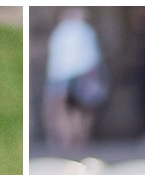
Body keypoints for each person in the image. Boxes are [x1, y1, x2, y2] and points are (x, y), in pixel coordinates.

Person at [43, 9, 106, 154]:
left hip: (59, 76)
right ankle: (76, 142)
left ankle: (65, 142)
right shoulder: (85, 31)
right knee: (79, 112)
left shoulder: (60, 31)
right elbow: (93, 57)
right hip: (78, 76)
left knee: (63, 111)